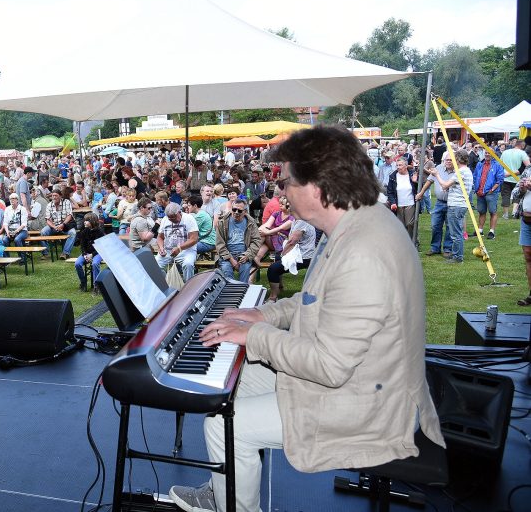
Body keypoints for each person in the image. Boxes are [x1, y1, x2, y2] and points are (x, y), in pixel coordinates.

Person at [168, 125, 444, 512]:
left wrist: (256, 335)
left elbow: (330, 367)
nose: (280, 192)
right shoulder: (356, 225)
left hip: (371, 403)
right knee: (233, 382)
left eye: (285, 182)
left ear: (316, 186)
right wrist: (260, 312)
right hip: (363, 378)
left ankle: (234, 506)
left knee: (224, 425)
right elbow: (314, 302)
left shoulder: (364, 250)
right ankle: (226, 488)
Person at [265, 219, 316, 303]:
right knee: (277, 258)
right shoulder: (297, 220)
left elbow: (291, 242)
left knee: (273, 269)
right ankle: (280, 287)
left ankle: (273, 297)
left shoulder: (301, 222)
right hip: (301, 254)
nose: (289, 208)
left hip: (304, 257)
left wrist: (283, 255)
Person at [437, 149, 473, 264]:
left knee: (456, 233)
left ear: (458, 159)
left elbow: (444, 185)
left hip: (456, 205)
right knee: (457, 231)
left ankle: (457, 257)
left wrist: (436, 174)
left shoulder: (461, 171)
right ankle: (456, 253)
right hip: (460, 204)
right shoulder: (467, 171)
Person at [214, 198, 262, 283]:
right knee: (227, 272)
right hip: (227, 256)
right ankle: (231, 293)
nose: (236, 212)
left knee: (245, 271)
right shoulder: (222, 222)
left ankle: (242, 292)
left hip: (244, 254)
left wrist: (247, 255)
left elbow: (256, 241)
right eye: (234, 209)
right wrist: (230, 259)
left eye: (239, 211)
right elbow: (219, 244)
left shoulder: (251, 223)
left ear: (245, 211)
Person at [417, 154, 454, 257]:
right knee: (435, 225)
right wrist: (421, 193)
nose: (448, 162)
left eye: (451, 160)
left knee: (449, 226)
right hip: (439, 202)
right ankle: (435, 248)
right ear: (444, 160)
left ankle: (447, 249)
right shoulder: (438, 168)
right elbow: (429, 181)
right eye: (447, 160)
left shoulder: (458, 172)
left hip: (451, 203)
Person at [155, 202, 199, 282]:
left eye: (174, 218)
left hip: (186, 250)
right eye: (170, 218)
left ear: (179, 212)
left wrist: (179, 248)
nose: (172, 220)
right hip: (167, 250)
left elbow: (194, 239)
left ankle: (188, 287)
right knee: (155, 265)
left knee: (188, 264)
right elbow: (160, 237)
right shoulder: (165, 219)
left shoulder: (189, 218)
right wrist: (161, 248)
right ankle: (165, 285)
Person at [472, 152, 504, 239]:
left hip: (491, 192)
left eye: (489, 153)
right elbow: (475, 176)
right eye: (486, 153)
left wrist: (492, 189)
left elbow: (500, 179)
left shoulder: (497, 165)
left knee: (492, 212)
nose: (487, 154)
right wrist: (476, 188)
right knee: (481, 211)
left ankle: (491, 232)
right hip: (480, 192)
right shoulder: (480, 164)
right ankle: (480, 230)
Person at [512, 169, 531, 305]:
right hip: (527, 220)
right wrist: (522, 189)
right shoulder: (528, 172)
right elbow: (515, 194)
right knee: (528, 256)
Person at [74, 212, 106, 294]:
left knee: (95, 263)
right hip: (87, 253)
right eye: (84, 220)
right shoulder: (84, 232)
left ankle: (97, 286)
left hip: (98, 253)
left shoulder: (100, 232)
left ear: (93, 221)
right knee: (77, 263)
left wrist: (92, 255)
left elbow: (101, 248)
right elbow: (82, 246)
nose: (84, 222)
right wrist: (85, 255)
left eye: (87, 220)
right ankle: (83, 283)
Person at [386, 158, 418, 238]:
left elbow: (418, 190)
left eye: (400, 165)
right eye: (397, 165)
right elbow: (390, 192)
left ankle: (412, 241)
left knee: (410, 224)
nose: (398, 167)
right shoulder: (393, 176)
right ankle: (404, 243)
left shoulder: (412, 174)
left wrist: (415, 182)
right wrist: (393, 202)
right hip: (398, 204)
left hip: (410, 203)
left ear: (406, 166)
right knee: (401, 226)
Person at [41, 190, 77, 260]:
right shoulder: (49, 205)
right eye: (52, 196)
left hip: (66, 225)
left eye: (56, 195)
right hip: (54, 226)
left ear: (60, 196)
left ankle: (65, 253)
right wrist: (54, 227)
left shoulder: (66, 202)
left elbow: (69, 215)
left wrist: (63, 224)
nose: (54, 197)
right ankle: (45, 253)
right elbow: (48, 219)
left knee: (73, 233)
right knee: (43, 231)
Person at [500, 140, 530, 218]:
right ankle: (514, 212)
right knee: (517, 195)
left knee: (505, 195)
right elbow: (528, 166)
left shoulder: (505, 152)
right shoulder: (522, 153)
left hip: (505, 177)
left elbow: (500, 164)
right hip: (518, 178)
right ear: (522, 146)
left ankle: (506, 214)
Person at [0, 193, 29, 261]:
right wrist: (7, 232)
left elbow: (24, 224)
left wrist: (16, 231)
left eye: (13, 199)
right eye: (10, 199)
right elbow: (5, 223)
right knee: (4, 240)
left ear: (17, 200)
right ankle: (7, 259)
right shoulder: (7, 209)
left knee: (17, 239)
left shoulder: (22, 209)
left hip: (22, 231)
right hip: (10, 230)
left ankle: (22, 258)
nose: (12, 200)